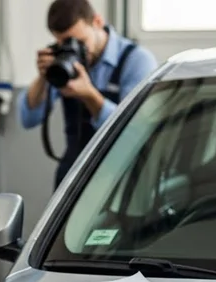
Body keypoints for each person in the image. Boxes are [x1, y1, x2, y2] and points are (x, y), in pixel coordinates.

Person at [18, 0, 158, 189]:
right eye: (64, 43)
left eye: (80, 42)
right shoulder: (64, 60)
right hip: (74, 173)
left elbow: (135, 130)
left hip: (122, 177)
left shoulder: (137, 61)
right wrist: (43, 77)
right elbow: (28, 118)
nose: (73, 49)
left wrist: (89, 95)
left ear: (97, 22)